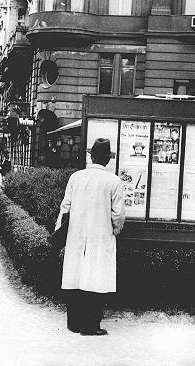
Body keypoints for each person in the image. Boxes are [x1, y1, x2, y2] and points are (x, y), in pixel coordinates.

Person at [55, 138, 126, 336]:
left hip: (76, 235)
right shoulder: (114, 181)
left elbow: (65, 207)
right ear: (107, 160)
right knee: (96, 278)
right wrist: (116, 229)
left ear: (91, 156)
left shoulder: (76, 177)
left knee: (75, 276)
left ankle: (74, 322)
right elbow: (118, 214)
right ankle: (91, 325)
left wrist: (59, 230)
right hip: (101, 237)